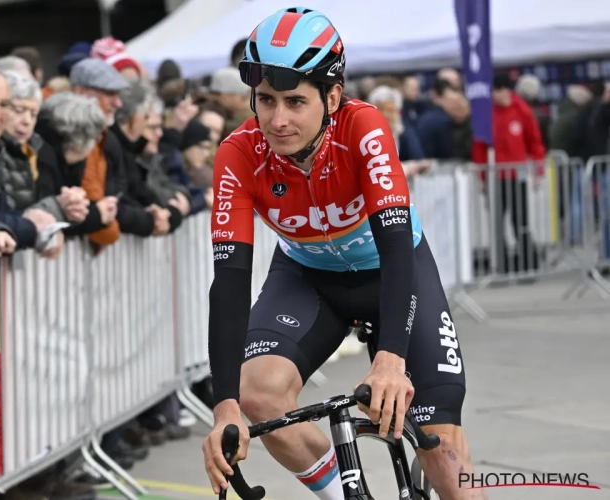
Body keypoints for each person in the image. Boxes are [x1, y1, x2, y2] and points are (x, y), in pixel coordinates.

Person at [202, 7, 484, 500]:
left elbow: (396, 248)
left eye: (295, 101)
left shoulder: (364, 127)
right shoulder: (239, 152)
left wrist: (391, 359)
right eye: (265, 100)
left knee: (442, 452)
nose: (277, 120)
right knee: (257, 393)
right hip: (309, 279)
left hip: (392, 274)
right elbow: (228, 282)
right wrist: (224, 405)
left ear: (332, 96)